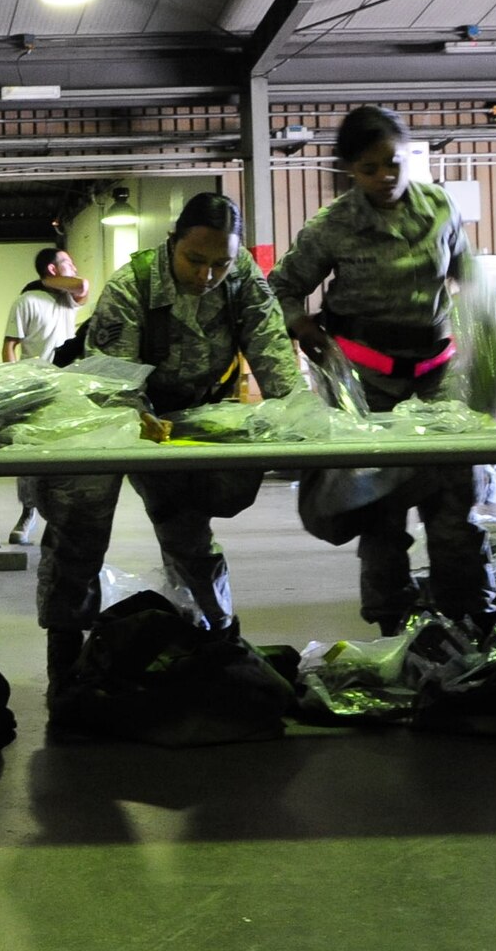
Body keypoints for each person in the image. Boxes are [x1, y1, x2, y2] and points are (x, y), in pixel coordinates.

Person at [36, 193, 303, 687]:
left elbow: (276, 362)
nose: (206, 275)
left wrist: (304, 425)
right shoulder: (131, 286)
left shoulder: (242, 277)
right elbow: (112, 386)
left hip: (188, 415)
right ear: (172, 242)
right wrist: (147, 430)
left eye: (219, 264)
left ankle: (219, 636)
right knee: (80, 526)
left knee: (187, 535)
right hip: (109, 412)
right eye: (195, 260)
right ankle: (65, 652)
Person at [268, 105, 495, 635]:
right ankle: (392, 624)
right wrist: (304, 329)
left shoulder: (440, 207)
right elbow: (280, 288)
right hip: (367, 387)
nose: (385, 178)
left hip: (438, 381)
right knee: (381, 515)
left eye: (393, 163)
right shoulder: (331, 227)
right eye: (370, 169)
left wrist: (490, 334)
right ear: (350, 169)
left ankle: (470, 619)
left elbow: (469, 274)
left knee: (455, 506)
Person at [1, 246, 89, 544]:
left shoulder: (67, 301)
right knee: (27, 452)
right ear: (52, 269)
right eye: (68, 262)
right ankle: (28, 514)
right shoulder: (26, 301)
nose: (75, 268)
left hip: (64, 383)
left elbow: (82, 287)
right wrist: (16, 381)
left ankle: (60, 518)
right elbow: (10, 346)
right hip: (33, 385)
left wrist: (57, 280)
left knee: (64, 450)